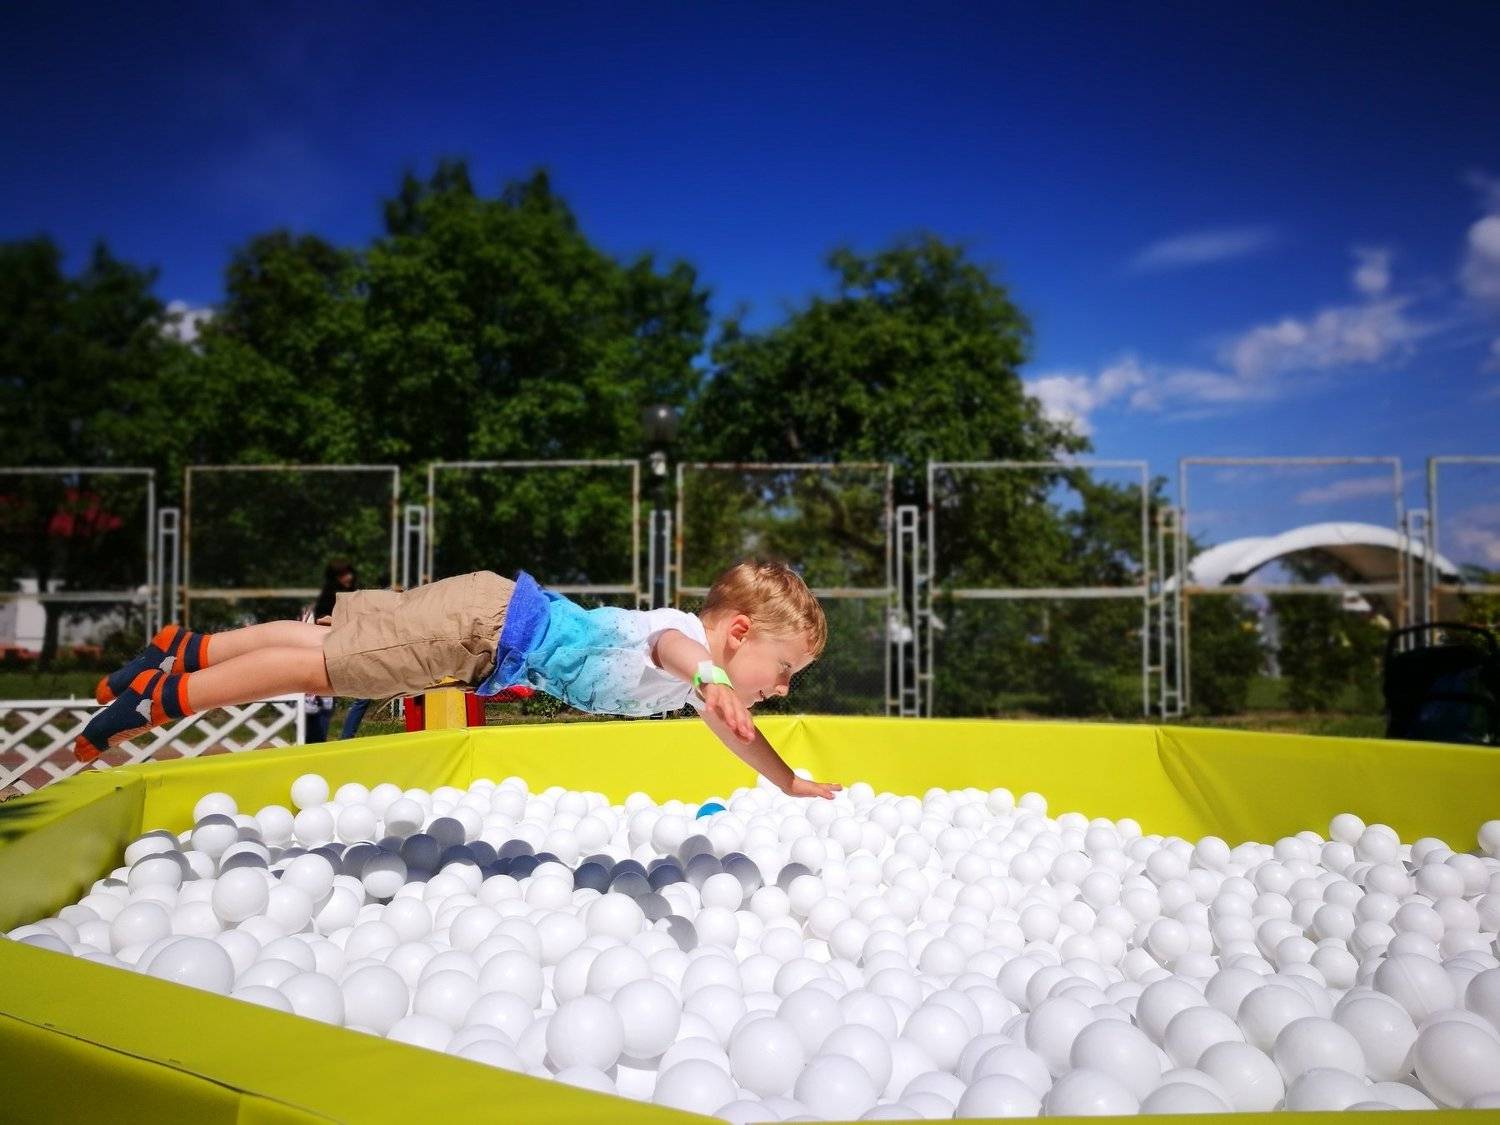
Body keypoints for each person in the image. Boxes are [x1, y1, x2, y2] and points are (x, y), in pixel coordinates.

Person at [77, 560, 840, 799]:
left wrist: (786, 780)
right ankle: (161, 701)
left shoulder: (697, 687)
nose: (782, 687)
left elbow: (737, 737)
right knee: (326, 667)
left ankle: (179, 651)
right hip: (484, 627)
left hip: (486, 620)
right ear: (740, 633)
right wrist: (710, 676)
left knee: (327, 640)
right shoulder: (685, 644)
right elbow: (672, 646)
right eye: (784, 669)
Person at [301, 561, 358, 742]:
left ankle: (317, 742)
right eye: (343, 574)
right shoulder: (327, 598)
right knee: (316, 715)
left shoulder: (347, 596)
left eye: (349, 573)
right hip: (319, 650)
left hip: (330, 653)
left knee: (324, 710)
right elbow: (320, 621)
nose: (348, 577)